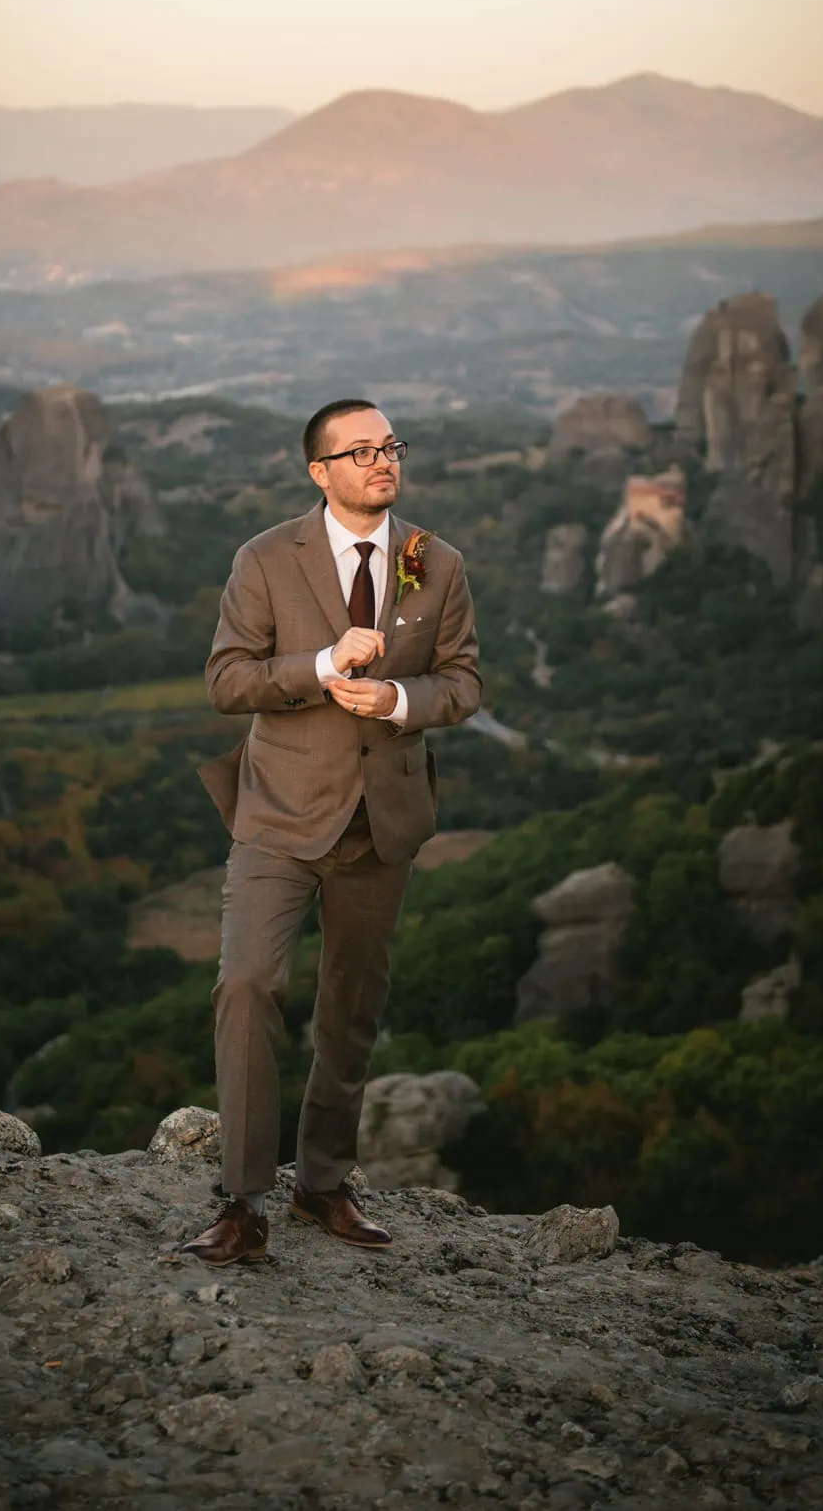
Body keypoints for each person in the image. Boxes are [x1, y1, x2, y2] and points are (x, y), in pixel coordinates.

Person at [185, 398, 481, 1264]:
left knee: (351, 1008)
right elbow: (226, 681)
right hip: (277, 813)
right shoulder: (266, 559)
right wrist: (319, 668)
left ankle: (321, 1185)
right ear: (320, 472)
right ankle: (242, 1201)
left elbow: (462, 683)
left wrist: (397, 698)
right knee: (246, 985)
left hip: (381, 823)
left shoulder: (438, 562)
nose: (383, 461)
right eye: (360, 452)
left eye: (390, 445)